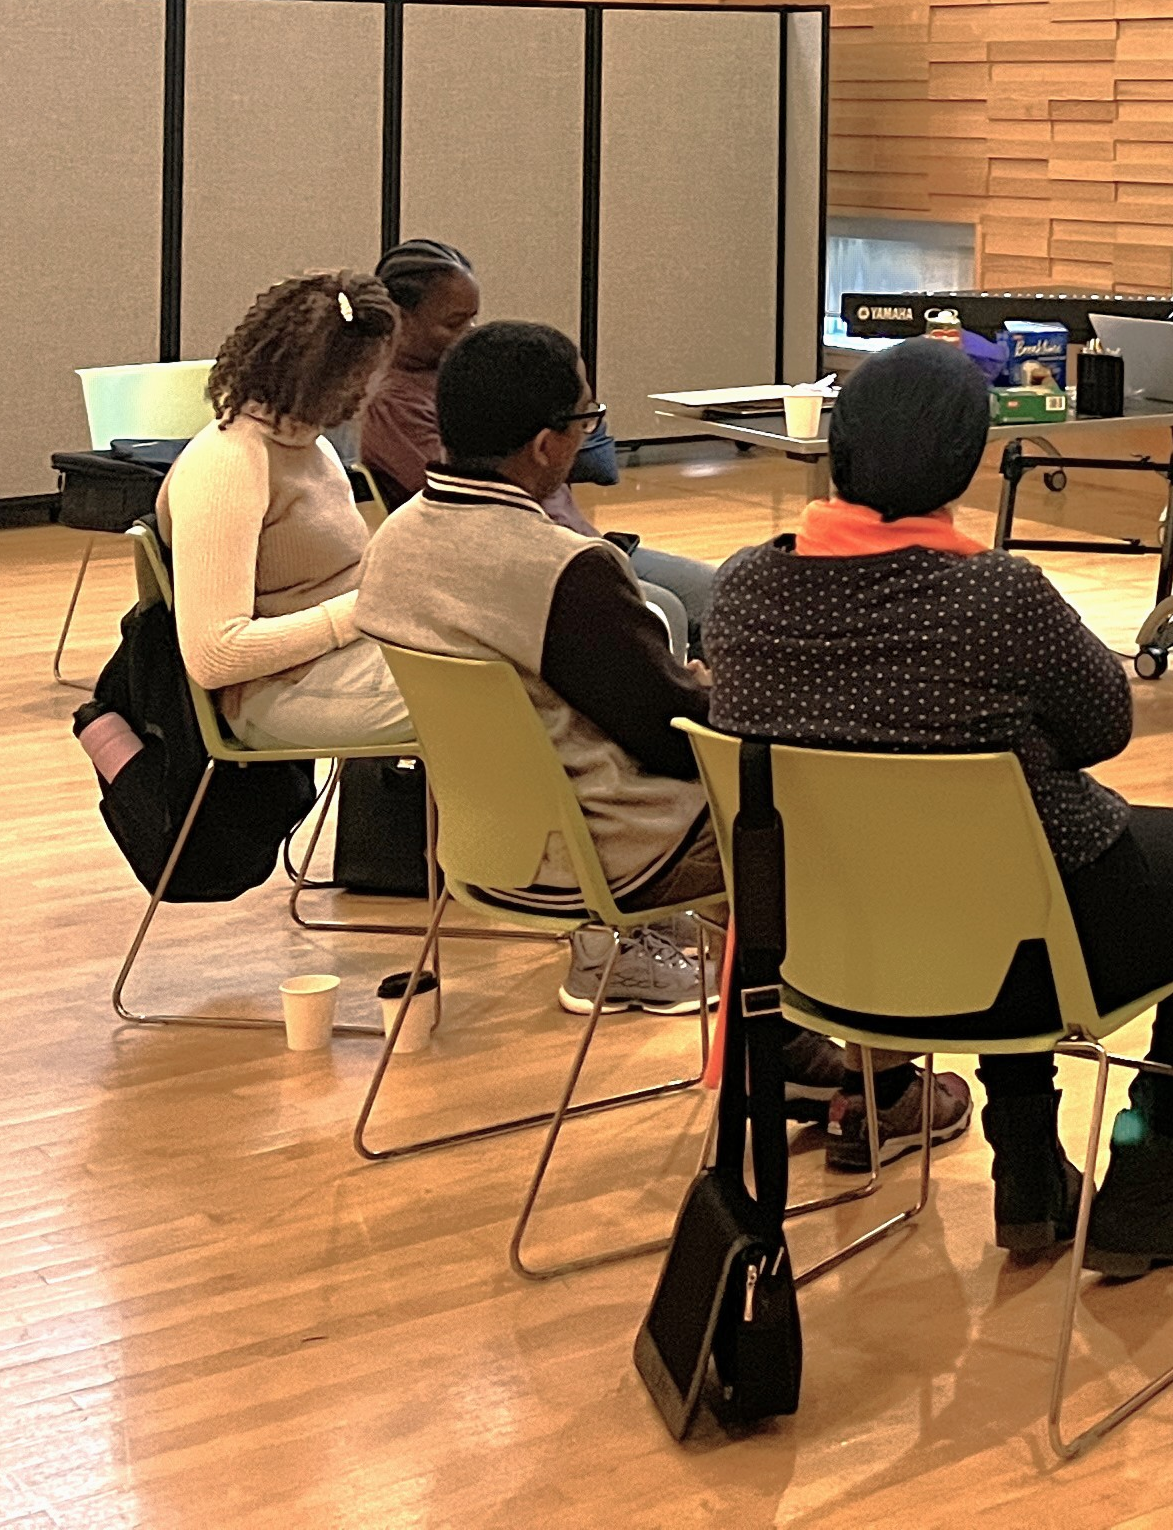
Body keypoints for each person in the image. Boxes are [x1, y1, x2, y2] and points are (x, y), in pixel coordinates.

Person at [705, 339, 1173, 1276]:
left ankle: (1030, 1168)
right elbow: (1104, 725)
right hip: (1014, 961)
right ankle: (1145, 1173)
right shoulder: (997, 596)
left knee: (984, 861)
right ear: (966, 459)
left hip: (819, 957)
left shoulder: (744, 585)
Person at [355, 321, 965, 1167]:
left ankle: (787, 1049)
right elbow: (677, 739)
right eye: (585, 418)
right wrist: (726, 687)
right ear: (543, 446)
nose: (588, 434)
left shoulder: (394, 541)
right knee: (860, 829)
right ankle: (886, 1087)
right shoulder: (559, 566)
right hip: (613, 847)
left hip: (482, 842)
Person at [356, 239, 719, 655]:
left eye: (473, 321)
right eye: (453, 323)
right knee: (666, 609)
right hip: (529, 563)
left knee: (722, 591)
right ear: (400, 320)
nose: (467, 336)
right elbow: (473, 497)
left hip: (576, 541)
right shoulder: (393, 404)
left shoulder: (466, 373)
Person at [153, 270, 415, 752]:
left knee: (521, 657)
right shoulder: (228, 463)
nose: (380, 383)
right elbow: (215, 655)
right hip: (276, 693)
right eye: (374, 369)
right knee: (507, 696)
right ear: (338, 379)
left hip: (348, 655)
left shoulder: (311, 446)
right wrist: (362, 610)